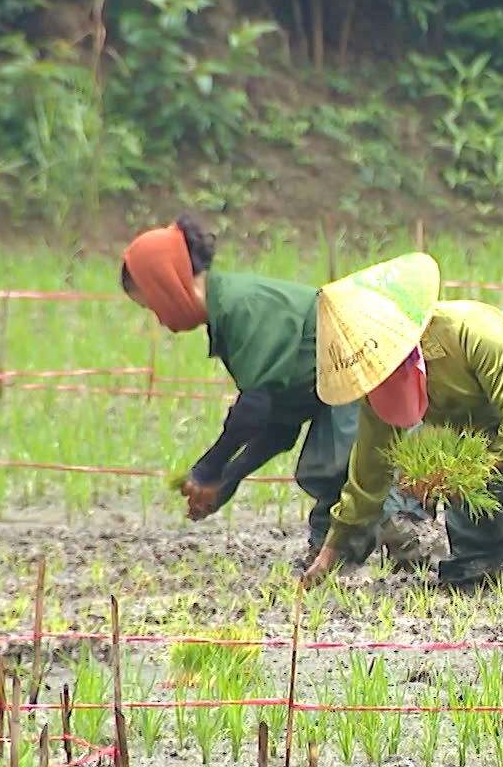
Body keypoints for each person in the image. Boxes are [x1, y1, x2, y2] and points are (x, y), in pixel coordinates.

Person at [297, 253, 503, 591]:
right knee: (470, 577)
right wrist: (329, 554)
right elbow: (367, 480)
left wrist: (464, 476)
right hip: (497, 437)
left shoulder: (471, 332)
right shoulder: (379, 394)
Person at [119, 217, 439, 570]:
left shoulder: (243, 307)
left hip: (363, 361)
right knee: (324, 469)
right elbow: (278, 425)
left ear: (167, 284)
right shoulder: (227, 315)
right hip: (337, 381)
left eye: (152, 305)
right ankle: (330, 560)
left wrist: (208, 469)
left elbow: (253, 410)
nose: (160, 320)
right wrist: (228, 478)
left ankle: (413, 539)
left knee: (337, 465)